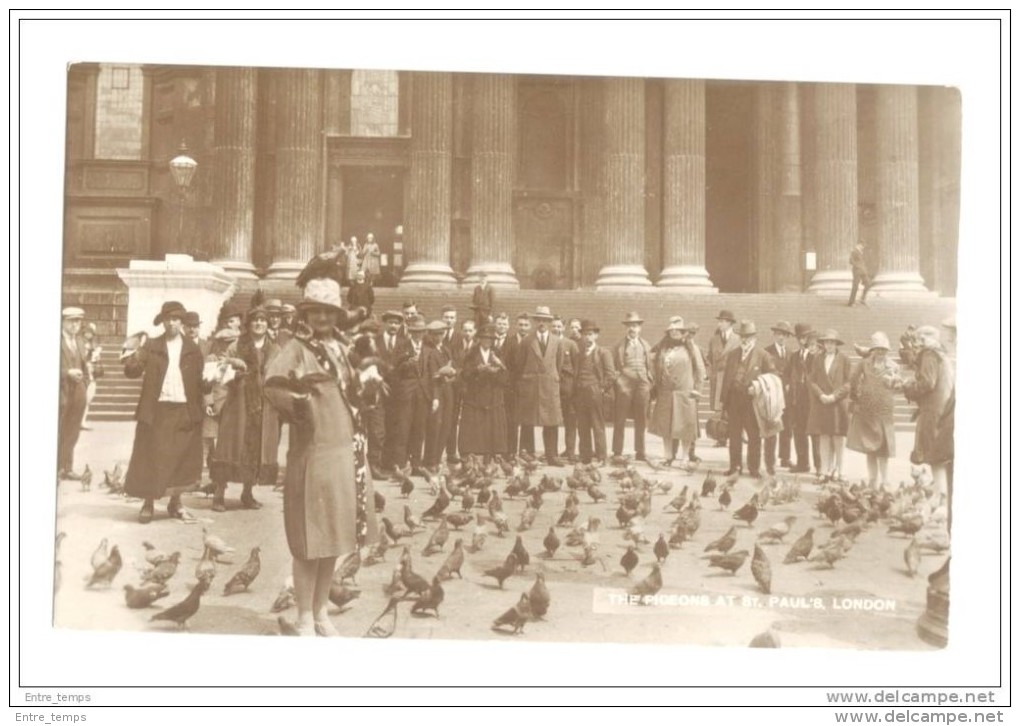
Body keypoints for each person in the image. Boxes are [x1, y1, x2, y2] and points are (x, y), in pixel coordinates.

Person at [263, 276, 379, 637]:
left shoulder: (344, 348)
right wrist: (300, 405)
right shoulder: (296, 348)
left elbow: (360, 393)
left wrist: (370, 382)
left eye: (329, 312)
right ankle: (301, 617)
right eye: (316, 312)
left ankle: (320, 613)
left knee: (334, 538)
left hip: (346, 452)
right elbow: (272, 385)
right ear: (306, 314)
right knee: (309, 541)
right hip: (314, 452)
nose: (323, 319)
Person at [123, 301, 204, 523]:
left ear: (182, 322)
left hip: (184, 408)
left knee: (181, 458)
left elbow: (200, 382)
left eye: (176, 319)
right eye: (168, 319)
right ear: (163, 322)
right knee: (152, 456)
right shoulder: (151, 345)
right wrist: (132, 356)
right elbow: (131, 372)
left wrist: (217, 376)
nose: (172, 323)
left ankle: (175, 503)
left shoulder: (192, 348)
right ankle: (148, 503)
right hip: (157, 409)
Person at [208, 307, 281, 512]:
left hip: (263, 408)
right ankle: (219, 494)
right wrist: (218, 403)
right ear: (248, 325)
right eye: (255, 320)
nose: (259, 324)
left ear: (268, 325)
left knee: (255, 450)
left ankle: (247, 493)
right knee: (229, 447)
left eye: (263, 320)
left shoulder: (275, 349)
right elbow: (221, 374)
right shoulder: (236, 346)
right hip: (237, 405)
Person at [902, 324, 955, 516]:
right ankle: (940, 494)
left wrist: (906, 385)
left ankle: (940, 496)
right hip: (944, 408)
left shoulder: (929, 354)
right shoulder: (942, 355)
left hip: (933, 410)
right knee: (939, 453)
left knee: (934, 453)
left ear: (926, 339)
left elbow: (927, 382)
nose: (916, 343)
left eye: (919, 339)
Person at [847, 332, 902, 491]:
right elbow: (853, 380)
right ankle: (872, 479)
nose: (881, 353)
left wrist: (894, 381)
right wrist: (856, 396)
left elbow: (899, 387)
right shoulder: (864, 364)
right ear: (873, 349)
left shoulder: (893, 366)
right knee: (870, 447)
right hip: (867, 409)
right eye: (878, 349)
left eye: (884, 350)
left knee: (883, 448)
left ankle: (885, 480)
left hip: (884, 410)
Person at [720, 321, 776, 478]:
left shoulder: (763, 355)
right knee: (734, 436)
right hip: (734, 401)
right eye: (743, 336)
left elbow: (772, 376)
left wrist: (757, 387)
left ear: (755, 338)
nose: (745, 340)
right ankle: (735, 466)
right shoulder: (733, 354)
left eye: (749, 337)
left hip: (753, 402)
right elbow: (726, 379)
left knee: (754, 436)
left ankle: (753, 468)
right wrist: (724, 402)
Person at [649, 316, 706, 467]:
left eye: (677, 330)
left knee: (685, 428)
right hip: (666, 393)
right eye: (671, 330)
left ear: (682, 332)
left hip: (685, 393)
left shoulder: (691, 348)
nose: (674, 333)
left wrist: (697, 391)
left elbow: (701, 371)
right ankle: (668, 456)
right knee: (665, 427)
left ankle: (685, 457)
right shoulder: (663, 348)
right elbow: (651, 361)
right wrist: (656, 383)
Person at [387, 314, 439, 475]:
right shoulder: (401, 347)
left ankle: (416, 464)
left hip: (423, 395)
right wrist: (405, 364)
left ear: (424, 333)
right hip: (406, 394)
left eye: (420, 332)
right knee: (403, 429)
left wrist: (435, 397)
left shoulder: (429, 350)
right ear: (410, 332)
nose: (418, 335)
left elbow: (434, 375)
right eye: (415, 331)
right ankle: (401, 465)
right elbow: (393, 370)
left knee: (419, 429)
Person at [515, 305, 565, 465]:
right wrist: (526, 379)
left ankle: (552, 455)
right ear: (535, 321)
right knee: (528, 420)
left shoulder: (557, 341)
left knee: (551, 421)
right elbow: (519, 364)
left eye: (545, 320)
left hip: (550, 386)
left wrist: (553, 378)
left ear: (549, 322)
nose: (542, 323)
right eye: (539, 320)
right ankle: (527, 452)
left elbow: (559, 364)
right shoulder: (526, 341)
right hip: (531, 386)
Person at [806, 329, 853, 482]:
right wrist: (821, 395)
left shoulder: (844, 360)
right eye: (827, 342)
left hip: (838, 405)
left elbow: (848, 383)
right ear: (823, 344)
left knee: (839, 438)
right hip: (823, 404)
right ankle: (825, 471)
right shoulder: (818, 359)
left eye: (832, 342)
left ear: (836, 344)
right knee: (824, 437)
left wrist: (834, 396)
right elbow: (812, 380)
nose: (829, 345)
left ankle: (841, 471)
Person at [457, 325, 508, 460]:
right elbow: (465, 374)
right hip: (476, 395)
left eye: (490, 339)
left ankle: (489, 454)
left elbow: (505, 376)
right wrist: (477, 370)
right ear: (479, 339)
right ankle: (472, 455)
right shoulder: (471, 354)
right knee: (476, 425)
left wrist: (495, 371)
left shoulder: (498, 353)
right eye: (484, 338)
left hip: (493, 395)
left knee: (491, 425)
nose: (487, 341)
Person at [611, 312, 654, 463]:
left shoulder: (646, 345)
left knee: (641, 419)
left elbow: (651, 366)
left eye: (635, 326)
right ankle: (617, 451)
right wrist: (618, 380)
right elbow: (612, 367)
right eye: (629, 326)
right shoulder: (618, 346)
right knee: (620, 419)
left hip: (642, 384)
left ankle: (640, 452)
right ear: (625, 328)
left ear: (640, 328)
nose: (632, 329)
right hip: (625, 384)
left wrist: (649, 381)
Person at [573, 320, 615, 466]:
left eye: (590, 334)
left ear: (596, 336)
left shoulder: (603, 352)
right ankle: (585, 456)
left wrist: (601, 389)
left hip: (595, 392)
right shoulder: (579, 354)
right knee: (582, 425)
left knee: (597, 425)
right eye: (585, 335)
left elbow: (610, 375)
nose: (587, 338)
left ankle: (602, 457)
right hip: (580, 393)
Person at [58, 307, 90, 480]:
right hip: (60, 391)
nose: (75, 325)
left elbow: (84, 365)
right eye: (71, 320)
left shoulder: (79, 341)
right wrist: (66, 372)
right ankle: (55, 468)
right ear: (63, 321)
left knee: (72, 431)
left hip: (77, 392)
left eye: (78, 321)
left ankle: (67, 468)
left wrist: (85, 381)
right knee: (57, 429)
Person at [787, 324, 822, 475]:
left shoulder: (818, 356)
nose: (803, 340)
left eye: (806, 337)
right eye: (800, 337)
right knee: (798, 432)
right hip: (797, 400)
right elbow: (788, 374)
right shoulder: (794, 356)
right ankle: (802, 463)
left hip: (813, 400)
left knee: (815, 434)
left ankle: (820, 466)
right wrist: (788, 385)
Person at [423, 320, 457, 470]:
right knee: (435, 425)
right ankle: (430, 460)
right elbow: (430, 375)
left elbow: (451, 368)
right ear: (430, 335)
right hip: (435, 391)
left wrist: (452, 374)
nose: (438, 337)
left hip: (447, 390)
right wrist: (435, 396)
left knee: (446, 425)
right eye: (435, 334)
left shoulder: (446, 349)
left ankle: (437, 459)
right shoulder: (428, 351)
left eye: (441, 334)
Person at [763, 321, 795, 474]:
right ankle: (770, 462)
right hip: (773, 396)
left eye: (785, 335)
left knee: (787, 428)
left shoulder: (791, 353)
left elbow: (792, 373)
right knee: (772, 428)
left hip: (787, 396)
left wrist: (788, 384)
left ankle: (785, 457)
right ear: (774, 335)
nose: (781, 337)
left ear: (788, 337)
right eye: (779, 334)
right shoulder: (766, 352)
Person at [707, 309, 740, 447]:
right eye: (719, 321)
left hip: (731, 379)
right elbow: (709, 358)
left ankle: (734, 435)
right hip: (718, 379)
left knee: (731, 407)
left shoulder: (737, 339)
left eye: (722, 321)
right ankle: (721, 438)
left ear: (729, 323)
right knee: (719, 409)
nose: (719, 323)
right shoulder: (714, 340)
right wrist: (710, 373)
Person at [447, 318, 476, 465]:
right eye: (465, 330)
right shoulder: (454, 346)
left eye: (470, 330)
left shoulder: (477, 348)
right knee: (452, 420)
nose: (468, 333)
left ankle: (468, 451)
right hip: (456, 387)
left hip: (472, 390)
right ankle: (451, 452)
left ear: (475, 332)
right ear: (461, 331)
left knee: (469, 420)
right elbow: (452, 364)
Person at [551, 316, 580, 463]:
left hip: (568, 387)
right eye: (554, 326)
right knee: (553, 420)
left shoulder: (571, 344)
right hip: (552, 388)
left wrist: (574, 389)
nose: (556, 329)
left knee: (570, 420)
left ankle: (570, 452)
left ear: (563, 328)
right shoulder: (548, 343)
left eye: (559, 326)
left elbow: (576, 368)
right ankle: (553, 452)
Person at [505, 312, 532, 454]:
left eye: (526, 325)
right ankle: (510, 449)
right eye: (520, 325)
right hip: (513, 386)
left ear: (530, 326)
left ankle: (526, 450)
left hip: (529, 386)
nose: (523, 328)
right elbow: (506, 364)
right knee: (512, 419)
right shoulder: (509, 341)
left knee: (528, 420)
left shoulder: (533, 341)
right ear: (516, 325)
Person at [79, 321, 102, 429]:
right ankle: (79, 422)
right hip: (82, 374)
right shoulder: (79, 343)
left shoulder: (94, 344)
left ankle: (83, 421)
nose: (89, 334)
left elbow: (96, 360)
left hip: (91, 374)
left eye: (91, 332)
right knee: (82, 399)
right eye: (87, 332)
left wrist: (96, 355)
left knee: (88, 399)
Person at [848, 240, 872, 307]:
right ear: (859, 244)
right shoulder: (854, 251)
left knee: (868, 283)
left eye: (863, 245)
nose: (863, 247)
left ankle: (862, 299)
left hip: (863, 271)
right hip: (857, 271)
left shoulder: (861, 252)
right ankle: (851, 302)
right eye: (862, 245)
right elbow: (850, 260)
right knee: (855, 286)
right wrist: (857, 265)